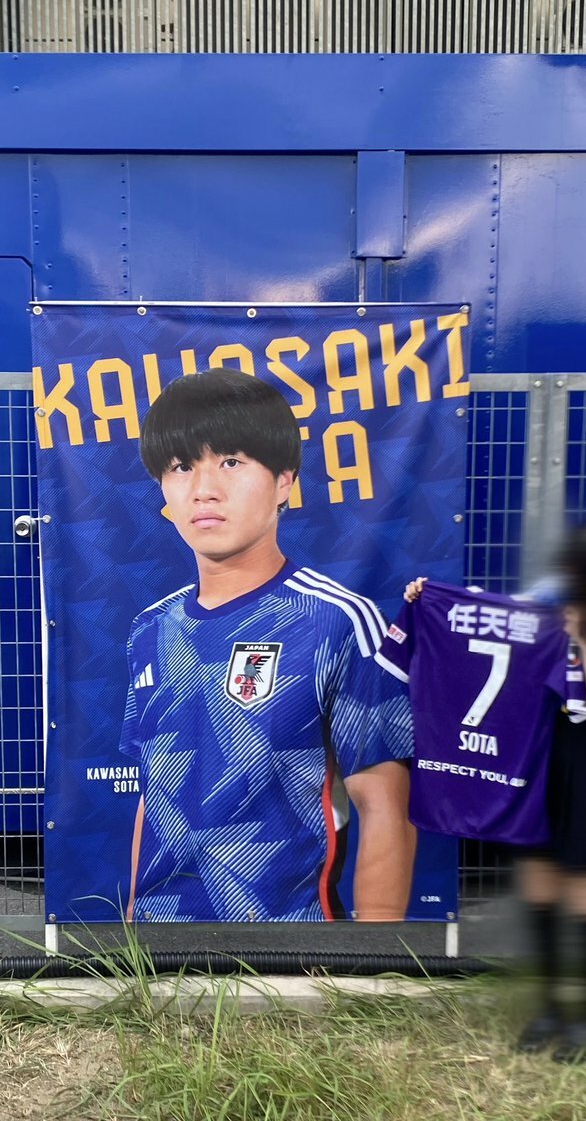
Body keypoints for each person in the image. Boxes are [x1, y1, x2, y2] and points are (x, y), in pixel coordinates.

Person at [121, 367, 416, 924]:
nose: (204, 489)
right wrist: (136, 925)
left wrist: (376, 964)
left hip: (292, 951)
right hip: (161, 946)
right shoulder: (150, 629)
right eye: (181, 466)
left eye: (231, 462)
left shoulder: (337, 621)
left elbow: (384, 808)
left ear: (284, 481)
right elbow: (152, 797)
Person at [404, 523, 586, 1063]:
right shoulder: (554, 598)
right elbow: (497, 613)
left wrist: (585, 646)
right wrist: (430, 597)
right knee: (542, 890)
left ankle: (584, 1020)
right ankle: (550, 1010)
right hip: (540, 754)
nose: (571, 584)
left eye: (582, 576)